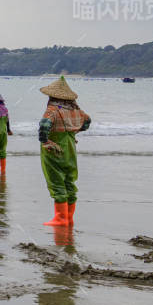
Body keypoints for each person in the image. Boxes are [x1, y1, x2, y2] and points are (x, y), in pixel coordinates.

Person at [38, 75, 92, 227]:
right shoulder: (76, 110)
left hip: (54, 148)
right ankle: (69, 217)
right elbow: (87, 122)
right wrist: (73, 132)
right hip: (70, 148)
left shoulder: (53, 110)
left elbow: (44, 126)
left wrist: (45, 141)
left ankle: (60, 218)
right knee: (69, 181)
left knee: (56, 180)